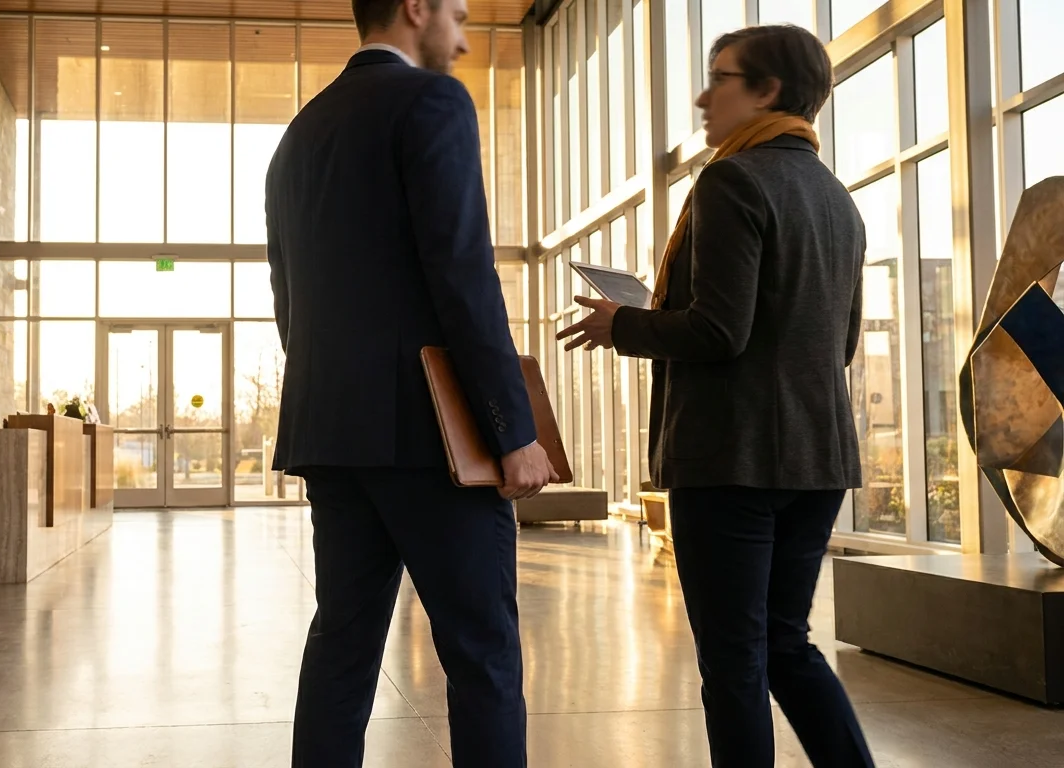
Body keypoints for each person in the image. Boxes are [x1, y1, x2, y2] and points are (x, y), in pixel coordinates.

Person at [557, 24, 875, 768]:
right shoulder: (837, 200)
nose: (704, 98)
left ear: (767, 91)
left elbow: (718, 331)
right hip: (818, 459)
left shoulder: (734, 181)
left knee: (734, 662)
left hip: (732, 460)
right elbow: (841, 345)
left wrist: (623, 323)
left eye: (720, 79)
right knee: (785, 645)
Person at [264, 0, 556, 765]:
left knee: (342, 645)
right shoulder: (432, 101)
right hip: (432, 440)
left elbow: (289, 299)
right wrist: (512, 429)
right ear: (415, 8)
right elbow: (463, 275)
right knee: (482, 654)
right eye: (456, 16)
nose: (462, 42)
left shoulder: (300, 135)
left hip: (332, 432)